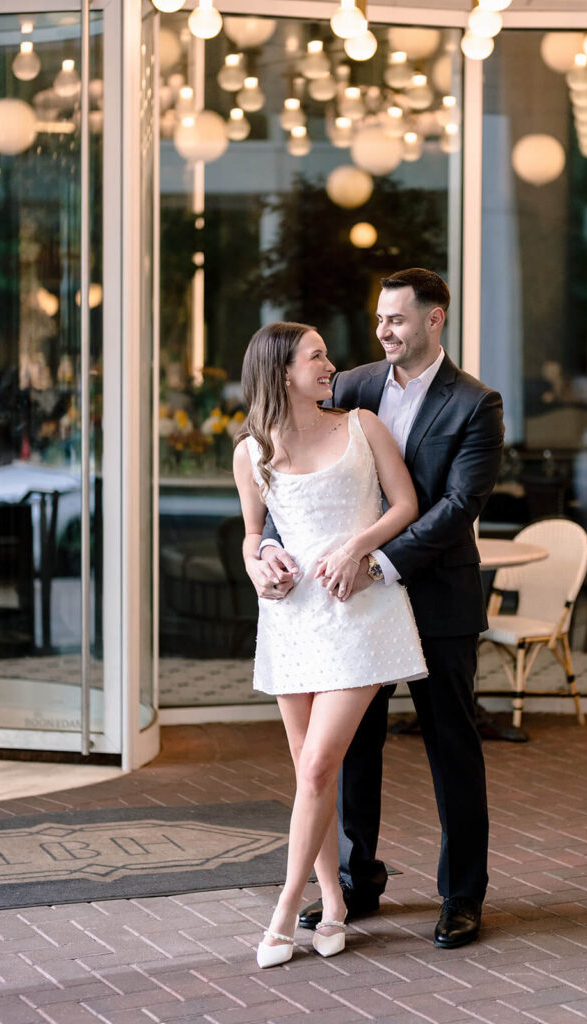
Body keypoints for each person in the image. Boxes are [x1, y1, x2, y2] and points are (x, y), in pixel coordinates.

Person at [255, 268, 505, 950]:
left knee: (452, 747)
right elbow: (299, 483)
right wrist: (268, 552)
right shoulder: (355, 386)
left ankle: (461, 895)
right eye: (379, 319)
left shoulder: (476, 404)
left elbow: (458, 507)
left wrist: (379, 563)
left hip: (434, 598)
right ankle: (355, 883)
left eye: (396, 319)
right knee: (349, 750)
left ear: (434, 319)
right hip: (347, 608)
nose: (383, 331)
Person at [232, 321, 427, 968]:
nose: (329, 364)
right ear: (282, 371)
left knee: (317, 766)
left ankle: (287, 909)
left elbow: (405, 504)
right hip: (292, 618)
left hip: (361, 609)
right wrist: (259, 563)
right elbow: (253, 535)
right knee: (307, 768)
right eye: (316, 356)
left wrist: (357, 545)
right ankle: (334, 903)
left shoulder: (363, 426)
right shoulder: (250, 452)